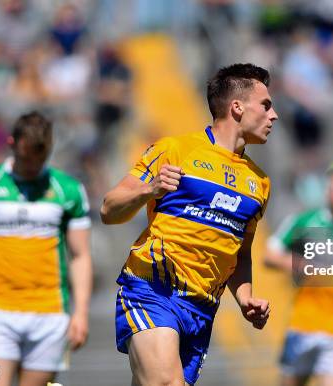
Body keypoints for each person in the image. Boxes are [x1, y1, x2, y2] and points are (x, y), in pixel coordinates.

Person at [101, 63, 278, 385]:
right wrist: (149, 189)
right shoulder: (175, 149)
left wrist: (246, 297)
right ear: (237, 107)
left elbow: (241, 253)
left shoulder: (259, 182)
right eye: (266, 105)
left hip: (201, 308)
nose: (274, 115)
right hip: (153, 290)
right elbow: (108, 210)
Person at [0, 111, 92, 386]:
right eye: (26, 158)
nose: (32, 166)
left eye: (40, 158)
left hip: (50, 315)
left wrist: (81, 312)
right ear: (12, 143)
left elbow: (80, 255)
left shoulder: (68, 190)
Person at [265, 166, 333, 386]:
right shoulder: (305, 221)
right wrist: (301, 265)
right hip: (304, 324)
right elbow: (270, 255)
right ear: (329, 193)